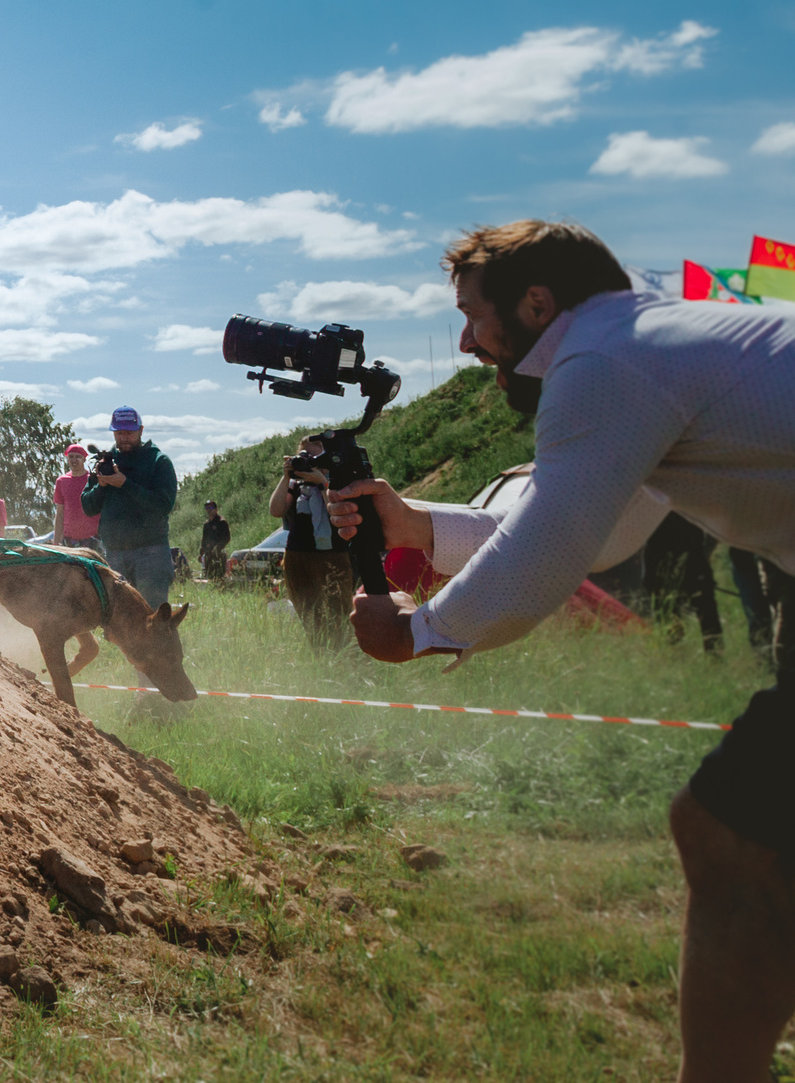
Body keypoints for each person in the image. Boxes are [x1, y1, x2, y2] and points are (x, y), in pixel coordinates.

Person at [329, 220, 795, 1081]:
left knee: (730, 836)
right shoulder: (644, 344)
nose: (465, 339)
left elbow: (546, 553)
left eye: (473, 316)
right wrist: (419, 525)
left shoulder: (603, 362)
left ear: (538, 303)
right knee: (739, 839)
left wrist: (418, 631)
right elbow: (594, 527)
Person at [80, 406, 179, 606]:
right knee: (119, 619)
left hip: (151, 552)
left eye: (129, 432)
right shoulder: (105, 462)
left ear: (140, 431)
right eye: (119, 433)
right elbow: (88, 507)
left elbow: (163, 505)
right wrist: (102, 486)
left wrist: (126, 484)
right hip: (114, 553)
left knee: (154, 615)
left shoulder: (158, 462)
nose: (124, 437)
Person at [270, 437, 354, 646]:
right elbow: (276, 510)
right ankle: (318, 652)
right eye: (306, 456)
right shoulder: (296, 484)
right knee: (308, 614)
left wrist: (323, 482)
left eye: (316, 456)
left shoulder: (339, 480)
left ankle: (341, 655)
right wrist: (286, 476)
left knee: (338, 614)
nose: (311, 462)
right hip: (298, 555)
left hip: (333, 555)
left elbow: (338, 511)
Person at [642, 512, 726, 654]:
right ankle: (674, 657)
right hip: (660, 561)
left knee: (707, 615)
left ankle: (715, 657)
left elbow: (715, 524)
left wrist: (703, 554)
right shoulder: (649, 497)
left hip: (693, 556)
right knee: (667, 616)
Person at [52, 445, 101, 552]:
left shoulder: (93, 479)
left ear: (84, 459)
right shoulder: (61, 481)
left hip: (93, 538)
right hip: (70, 539)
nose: (74, 460)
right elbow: (60, 512)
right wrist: (56, 542)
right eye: (71, 457)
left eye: (77, 457)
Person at [198, 499, 232, 581]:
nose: (209, 509)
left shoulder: (221, 522)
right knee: (208, 575)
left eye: (211, 507)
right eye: (207, 507)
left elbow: (226, 538)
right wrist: (201, 552)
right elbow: (204, 539)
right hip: (208, 554)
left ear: (216, 509)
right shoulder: (206, 524)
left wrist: (217, 548)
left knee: (219, 575)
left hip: (219, 554)